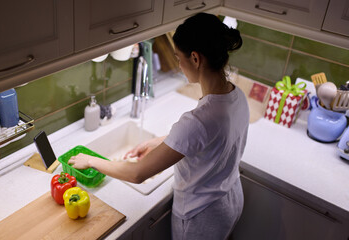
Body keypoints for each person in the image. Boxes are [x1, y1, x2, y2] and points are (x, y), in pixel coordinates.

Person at [69, 12, 249, 240]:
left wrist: (91, 160)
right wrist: (154, 143)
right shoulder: (236, 95)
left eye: (178, 57)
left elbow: (137, 173)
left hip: (201, 216)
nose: (178, 65)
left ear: (195, 58)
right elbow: (205, 139)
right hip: (230, 199)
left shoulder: (198, 120)